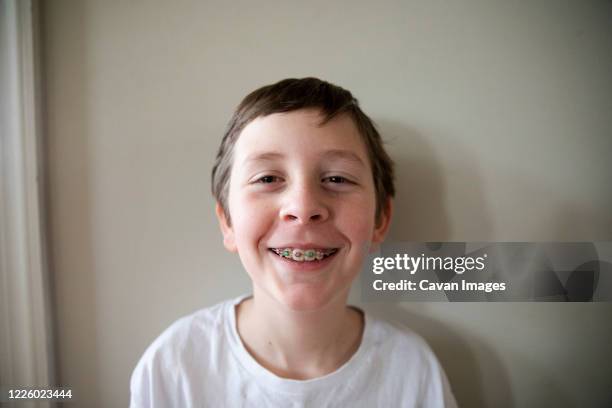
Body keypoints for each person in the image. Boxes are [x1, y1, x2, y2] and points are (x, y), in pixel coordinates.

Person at [129, 77, 457, 407]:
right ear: (227, 221)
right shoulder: (173, 367)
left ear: (380, 220)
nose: (303, 208)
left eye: (337, 179)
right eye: (268, 179)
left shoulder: (414, 371)